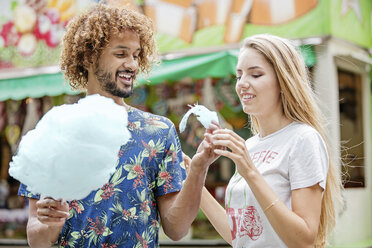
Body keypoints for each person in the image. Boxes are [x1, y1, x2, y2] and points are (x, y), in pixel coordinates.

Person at [17, 3, 218, 247]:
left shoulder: (159, 131)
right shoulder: (53, 129)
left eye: (136, 55)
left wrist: (197, 169)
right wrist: (52, 222)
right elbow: (35, 239)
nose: (132, 65)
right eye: (121, 54)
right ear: (89, 56)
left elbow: (176, 229)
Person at [184, 34, 343, 248]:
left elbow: (304, 239)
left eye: (255, 75)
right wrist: (192, 177)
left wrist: (250, 173)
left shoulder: (303, 139)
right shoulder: (250, 145)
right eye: (239, 76)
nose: (242, 84)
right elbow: (239, 236)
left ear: (283, 81)